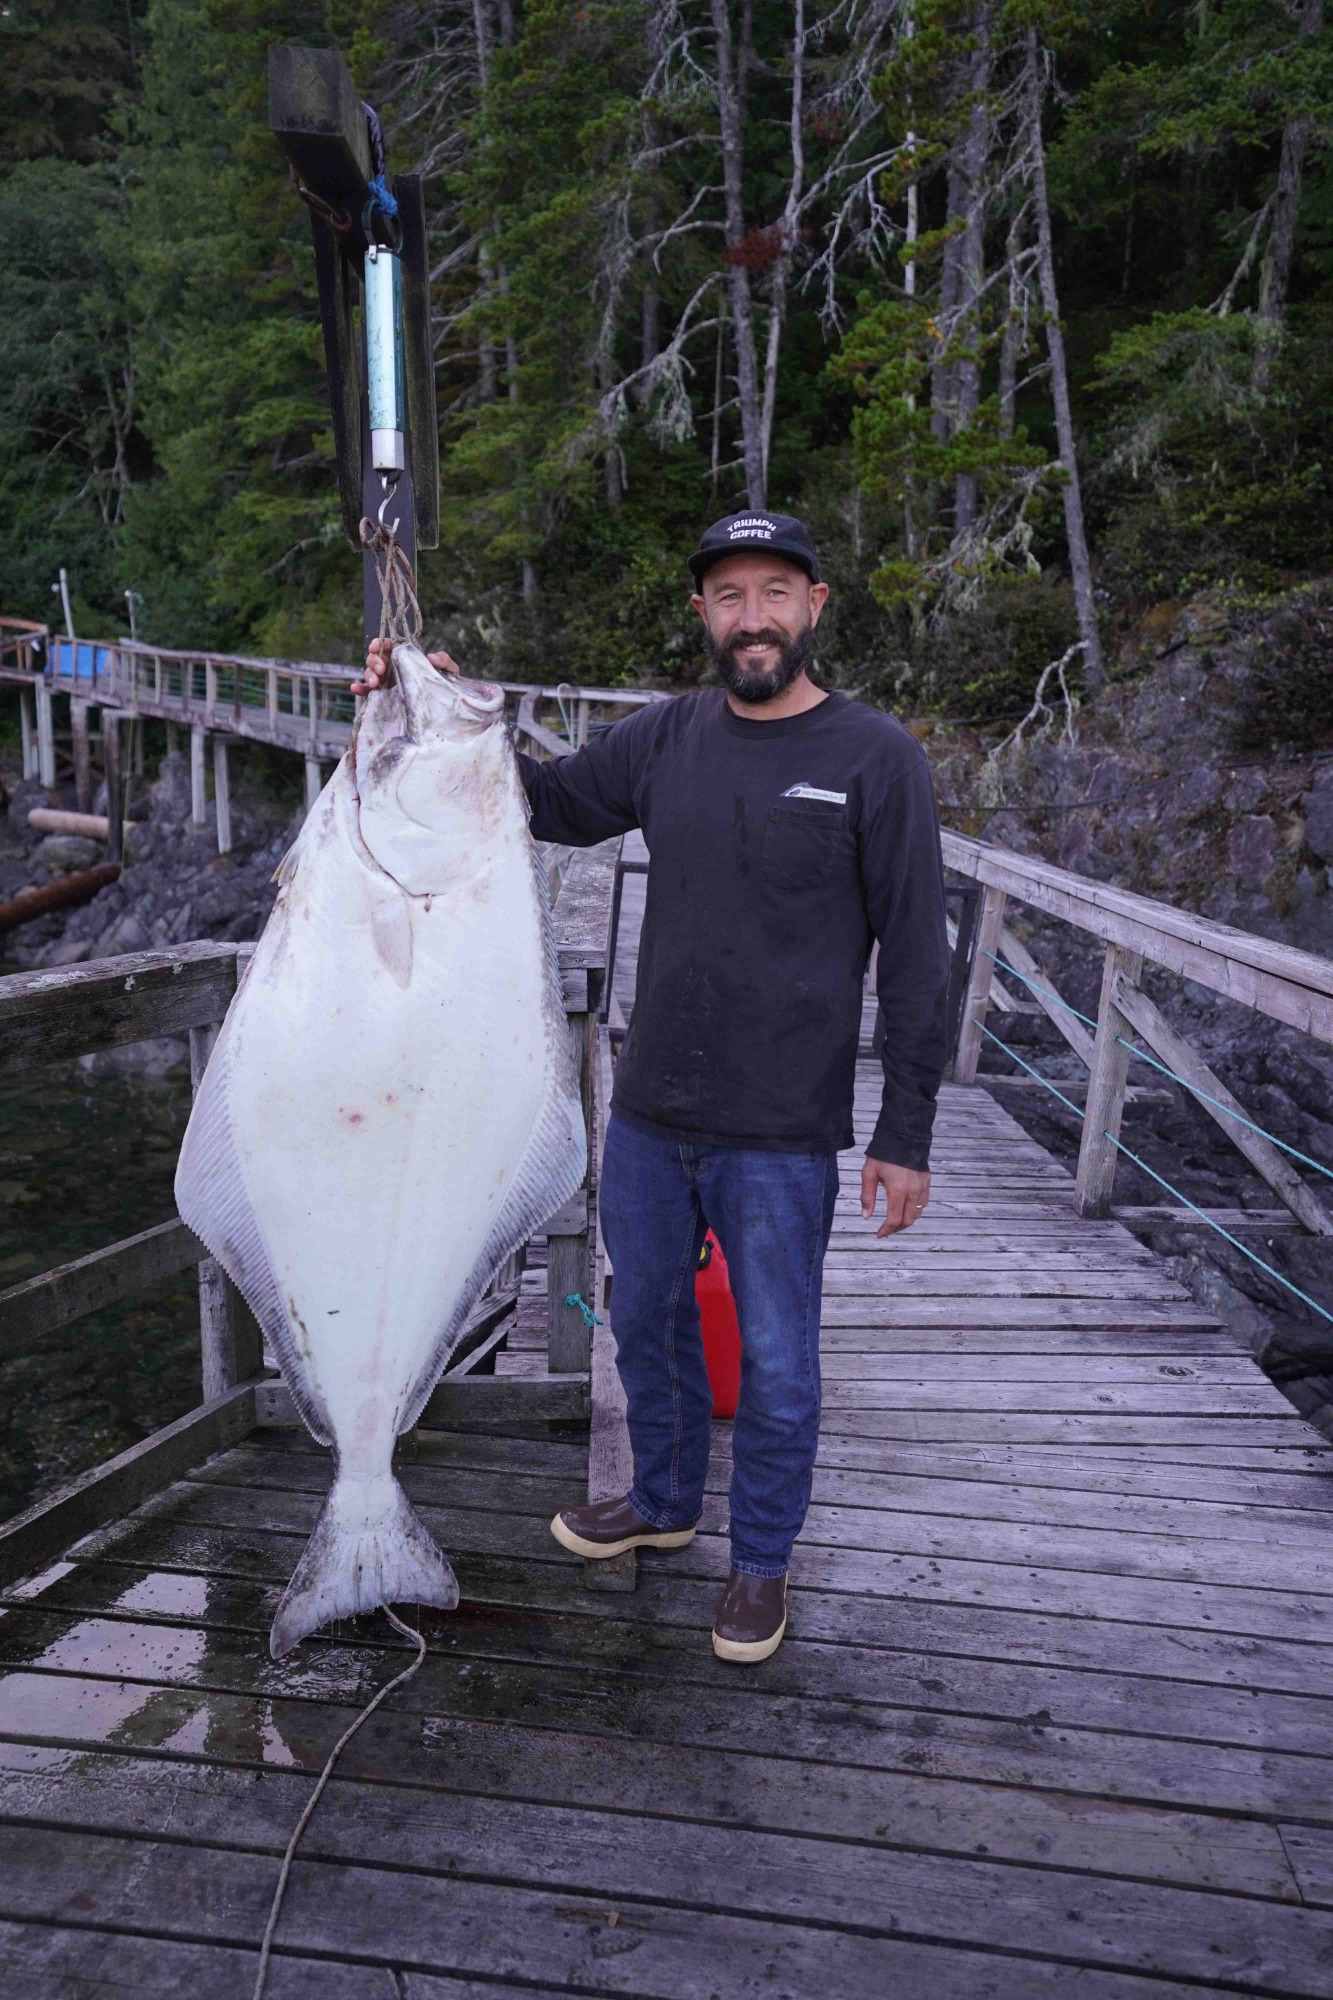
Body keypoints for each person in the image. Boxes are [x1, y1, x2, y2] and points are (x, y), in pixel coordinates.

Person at [356, 509, 952, 1664]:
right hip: (648, 1114)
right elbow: (547, 803)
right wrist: (417, 707)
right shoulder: (666, 737)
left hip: (782, 1130)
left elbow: (920, 958)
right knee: (645, 1320)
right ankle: (666, 1499)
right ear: (702, 615)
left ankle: (761, 1563)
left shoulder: (876, 757)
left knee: (779, 1359)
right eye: (728, 596)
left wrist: (907, 1129)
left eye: (774, 592)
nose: (752, 617)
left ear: (815, 606)